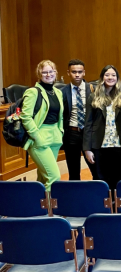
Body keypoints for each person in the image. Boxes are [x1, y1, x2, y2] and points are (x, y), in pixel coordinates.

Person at [83, 65, 121, 191]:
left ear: (117, 78)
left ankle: (115, 205)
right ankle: (102, 205)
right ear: (102, 77)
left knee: (117, 178)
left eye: (113, 75)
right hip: (99, 144)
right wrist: (87, 149)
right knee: (100, 178)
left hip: (119, 144)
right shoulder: (93, 97)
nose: (110, 77)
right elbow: (88, 123)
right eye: (107, 75)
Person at [20, 60, 64, 191]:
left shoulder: (58, 92)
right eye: (45, 72)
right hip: (39, 137)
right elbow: (25, 116)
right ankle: (50, 210)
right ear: (39, 74)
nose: (48, 74)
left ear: (56, 73)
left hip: (54, 136)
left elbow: (60, 115)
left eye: (51, 71)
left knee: (44, 177)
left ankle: (36, 207)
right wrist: (37, 137)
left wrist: (60, 131)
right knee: (54, 177)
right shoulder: (33, 92)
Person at [62, 59, 97, 180]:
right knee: (73, 171)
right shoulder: (62, 92)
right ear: (68, 73)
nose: (77, 75)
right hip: (72, 133)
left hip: (89, 133)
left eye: (80, 72)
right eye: (74, 72)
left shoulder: (93, 89)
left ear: (84, 73)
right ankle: (74, 197)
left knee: (95, 169)